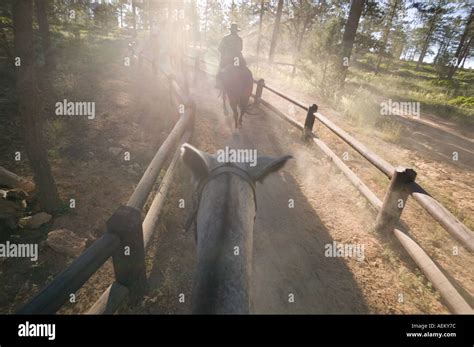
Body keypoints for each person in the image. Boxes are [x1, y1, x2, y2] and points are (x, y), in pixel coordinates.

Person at [216, 23, 246, 89]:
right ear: (236, 31)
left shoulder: (225, 38)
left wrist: (224, 54)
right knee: (243, 68)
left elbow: (220, 49)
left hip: (227, 58)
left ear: (231, 30)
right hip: (237, 59)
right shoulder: (239, 39)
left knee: (220, 70)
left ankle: (218, 84)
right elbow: (241, 49)